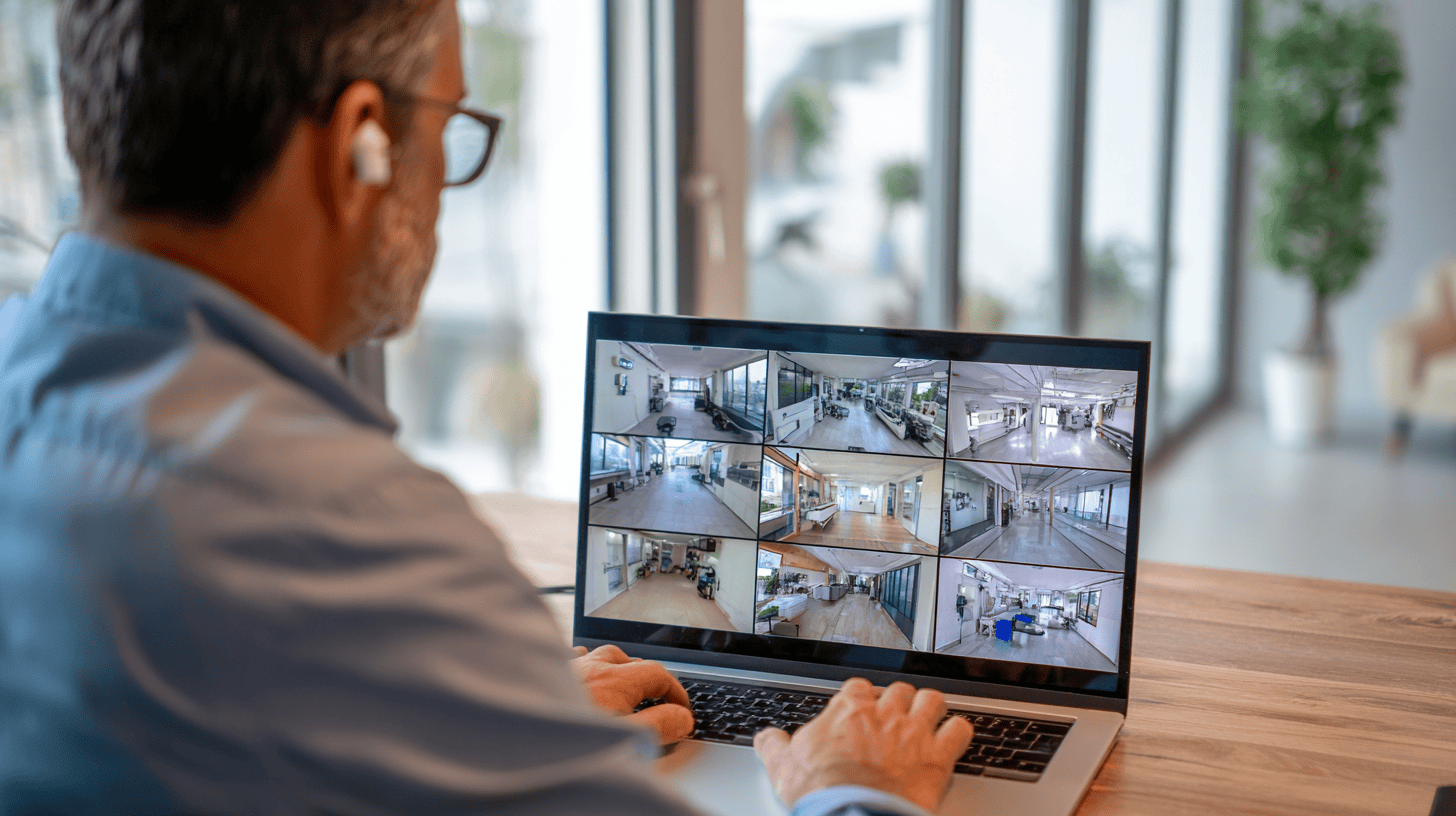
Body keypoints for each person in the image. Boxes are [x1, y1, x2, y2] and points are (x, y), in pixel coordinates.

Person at [0, 1, 971, 815]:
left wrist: (493, 726)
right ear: (361, 144)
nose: (443, 182)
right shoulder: (344, 534)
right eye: (449, 125)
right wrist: (851, 793)